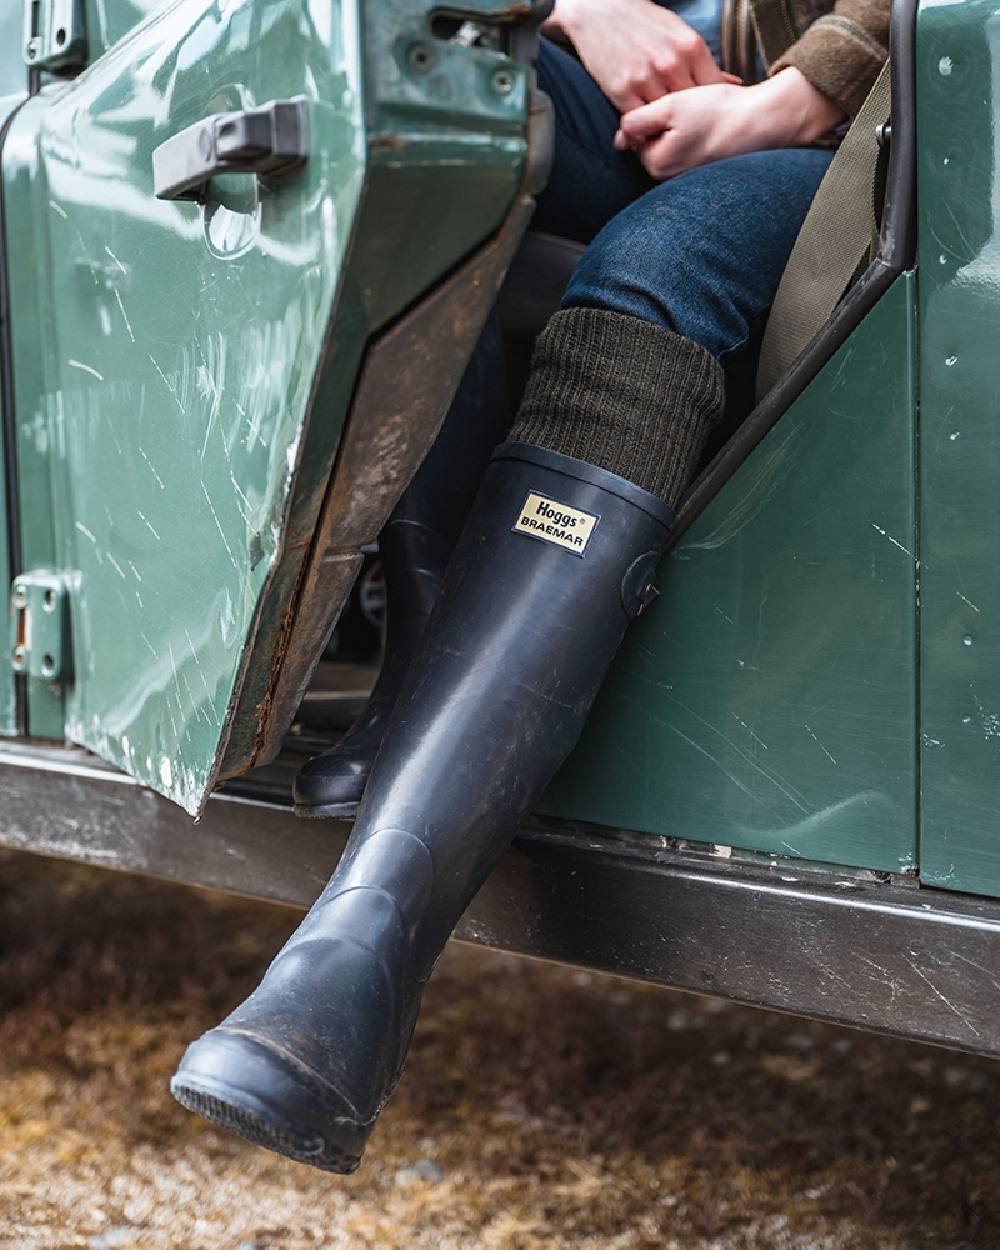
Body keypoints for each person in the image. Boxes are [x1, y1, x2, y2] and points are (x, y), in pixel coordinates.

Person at [170, 0, 890, 1172]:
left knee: (660, 263)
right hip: (695, 81)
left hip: (891, 115)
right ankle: (420, 685)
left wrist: (804, 87)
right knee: (420, 123)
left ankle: (362, 949)